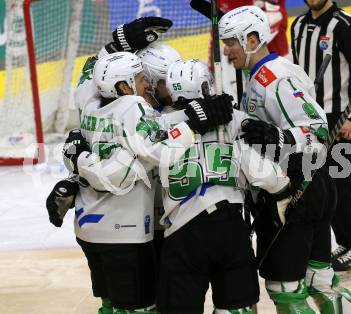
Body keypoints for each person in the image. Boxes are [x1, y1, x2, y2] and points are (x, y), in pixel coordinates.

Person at [46, 17, 233, 314]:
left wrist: (112, 48)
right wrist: (196, 120)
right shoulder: (136, 108)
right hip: (133, 228)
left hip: (118, 224)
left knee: (121, 302)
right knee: (140, 305)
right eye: (154, 80)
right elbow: (155, 146)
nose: (165, 88)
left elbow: (88, 80)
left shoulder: (96, 102)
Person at [219, 5, 351, 313]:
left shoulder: (275, 79)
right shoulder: (263, 74)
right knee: (320, 279)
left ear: (252, 40)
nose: (226, 51)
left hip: (297, 191)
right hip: (311, 186)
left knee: (285, 289)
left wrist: (279, 137)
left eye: (231, 42)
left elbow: (319, 131)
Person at [156, 59, 294, 314]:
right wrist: (282, 192)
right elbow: (262, 172)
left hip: (182, 233)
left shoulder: (156, 125)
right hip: (230, 228)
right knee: (237, 309)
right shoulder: (232, 118)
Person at [291, 0, 351, 275]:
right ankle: (346, 242)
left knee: (344, 185)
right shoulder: (298, 26)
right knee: (322, 187)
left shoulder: (345, 26)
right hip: (311, 120)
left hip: (342, 121)